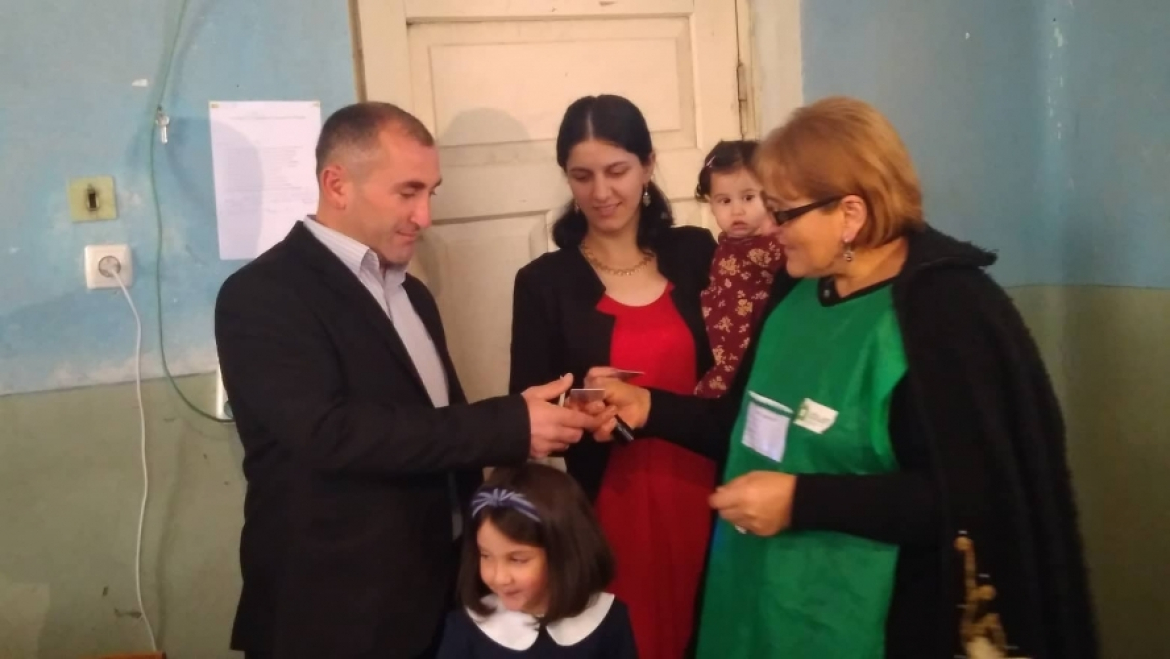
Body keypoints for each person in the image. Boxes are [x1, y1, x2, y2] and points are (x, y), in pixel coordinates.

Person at [592, 97, 1097, 658]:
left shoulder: (945, 311)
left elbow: (965, 498)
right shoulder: (796, 291)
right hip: (759, 604)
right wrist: (649, 407)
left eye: (784, 212)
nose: (770, 229)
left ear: (850, 214)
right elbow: (745, 425)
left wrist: (802, 501)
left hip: (878, 621)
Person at [215, 102, 606, 659]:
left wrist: (527, 422)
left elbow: (432, 429)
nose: (424, 216)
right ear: (337, 184)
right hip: (334, 616)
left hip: (437, 599)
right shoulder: (262, 295)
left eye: (431, 193)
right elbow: (329, 434)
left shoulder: (412, 294)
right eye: (407, 192)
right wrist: (506, 425)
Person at [508, 94, 717, 659]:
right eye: (583, 176)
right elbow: (524, 416)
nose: (601, 192)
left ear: (648, 166)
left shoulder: (697, 253)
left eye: (617, 171)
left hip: (709, 494)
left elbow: (739, 376)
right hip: (609, 507)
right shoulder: (544, 283)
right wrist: (576, 404)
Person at [437, 463, 638, 658]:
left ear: (564, 554)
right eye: (485, 555)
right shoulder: (465, 628)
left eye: (517, 559)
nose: (499, 577)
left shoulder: (608, 620)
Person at [691, 140, 785, 398]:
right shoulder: (724, 243)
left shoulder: (777, 241)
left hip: (758, 344)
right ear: (710, 203)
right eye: (724, 201)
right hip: (725, 338)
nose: (737, 210)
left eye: (748, 197)